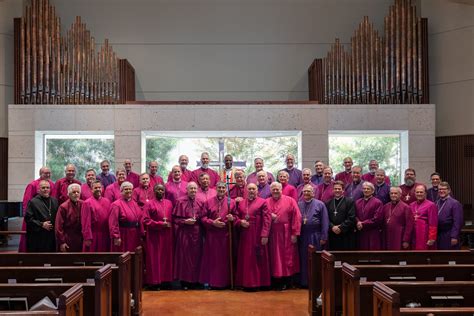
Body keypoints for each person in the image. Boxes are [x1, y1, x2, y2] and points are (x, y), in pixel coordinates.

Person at [234, 183, 271, 290]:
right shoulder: (241, 203)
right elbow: (236, 215)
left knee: (257, 258)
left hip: (257, 234)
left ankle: (258, 283)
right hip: (245, 234)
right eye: (249, 189)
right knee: (246, 258)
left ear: (257, 191)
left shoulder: (263, 202)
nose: (251, 191)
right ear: (246, 190)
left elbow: (267, 219)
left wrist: (265, 234)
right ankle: (246, 283)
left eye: (253, 189)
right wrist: (240, 221)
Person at [266, 182, 301, 290]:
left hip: (287, 233)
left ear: (281, 190)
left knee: (287, 257)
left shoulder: (290, 200)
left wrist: (295, 233)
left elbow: (297, 216)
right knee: (274, 257)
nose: (275, 191)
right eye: (273, 189)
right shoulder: (266, 202)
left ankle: (287, 281)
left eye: (277, 189)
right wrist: (269, 215)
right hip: (272, 234)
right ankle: (276, 281)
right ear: (270, 191)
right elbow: (262, 216)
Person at [199, 182, 235, 289]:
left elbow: (237, 216)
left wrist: (232, 218)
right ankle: (213, 283)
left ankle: (225, 283)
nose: (221, 189)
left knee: (224, 260)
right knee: (213, 260)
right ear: (216, 189)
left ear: (225, 189)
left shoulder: (231, 202)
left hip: (225, 235)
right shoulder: (208, 202)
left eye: (223, 188)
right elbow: (203, 218)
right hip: (212, 236)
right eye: (219, 187)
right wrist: (212, 223)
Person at [173, 182, 207, 289]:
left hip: (197, 232)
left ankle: (196, 281)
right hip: (185, 232)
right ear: (187, 190)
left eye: (194, 188)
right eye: (191, 188)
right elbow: (175, 218)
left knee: (197, 257)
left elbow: (204, 217)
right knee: (184, 257)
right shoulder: (180, 201)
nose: (193, 190)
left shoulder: (201, 201)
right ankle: (185, 282)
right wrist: (184, 222)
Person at [142, 184, 173, 289]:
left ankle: (165, 281)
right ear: (154, 191)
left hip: (167, 236)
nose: (160, 191)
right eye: (158, 189)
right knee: (154, 259)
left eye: (162, 190)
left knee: (166, 258)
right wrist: (160, 224)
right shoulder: (149, 204)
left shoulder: (169, 203)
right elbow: (146, 220)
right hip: (154, 236)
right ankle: (155, 282)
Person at [298, 184, 328, 287]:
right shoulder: (299, 204)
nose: (306, 193)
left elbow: (325, 221)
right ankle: (304, 282)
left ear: (313, 193)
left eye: (308, 191)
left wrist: (324, 237)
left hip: (315, 235)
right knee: (304, 258)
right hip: (303, 236)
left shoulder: (320, 204)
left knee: (315, 259)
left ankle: (315, 282)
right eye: (304, 191)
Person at [20, 166, 55, 252]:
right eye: (45, 173)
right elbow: (26, 202)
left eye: (49, 173)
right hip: (35, 219)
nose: (48, 175)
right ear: (40, 174)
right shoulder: (32, 185)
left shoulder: (52, 184)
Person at [109, 181, 144, 252]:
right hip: (123, 234)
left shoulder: (135, 203)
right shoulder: (116, 204)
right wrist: (116, 236)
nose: (128, 191)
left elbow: (139, 218)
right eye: (126, 189)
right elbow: (113, 222)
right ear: (121, 191)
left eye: (130, 189)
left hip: (134, 234)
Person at [25, 180, 59, 252]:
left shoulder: (54, 201)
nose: (46, 189)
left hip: (51, 236)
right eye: (43, 188)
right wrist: (42, 224)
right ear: (38, 190)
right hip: (38, 236)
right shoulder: (33, 202)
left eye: (47, 187)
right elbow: (28, 219)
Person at [81, 180, 111, 252]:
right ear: (91, 189)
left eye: (99, 187)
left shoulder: (107, 201)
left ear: (102, 188)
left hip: (105, 235)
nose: (98, 189)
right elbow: (85, 222)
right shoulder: (87, 203)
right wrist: (87, 237)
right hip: (93, 235)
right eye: (95, 188)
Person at [326, 181, 356, 250]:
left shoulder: (349, 202)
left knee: (345, 257)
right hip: (332, 234)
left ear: (343, 190)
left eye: (339, 189)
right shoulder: (328, 203)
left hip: (346, 235)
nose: (337, 190)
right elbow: (326, 218)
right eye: (335, 189)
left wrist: (341, 227)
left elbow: (351, 217)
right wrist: (332, 227)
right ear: (333, 190)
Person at [355, 182, 384, 250]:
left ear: (373, 191)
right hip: (360, 232)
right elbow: (355, 215)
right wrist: (358, 222)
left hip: (372, 233)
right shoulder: (357, 202)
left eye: (368, 189)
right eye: (364, 189)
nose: (366, 190)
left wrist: (363, 223)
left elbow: (377, 218)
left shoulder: (378, 202)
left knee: (372, 254)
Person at [55, 183, 83, 252]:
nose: (76, 194)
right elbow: (58, 227)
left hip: (81, 238)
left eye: (78, 192)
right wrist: (62, 242)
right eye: (73, 192)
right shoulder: (63, 207)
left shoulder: (83, 204)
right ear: (69, 194)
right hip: (67, 238)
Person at [436, 182, 463, 250]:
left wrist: (454, 236)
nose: (441, 191)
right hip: (439, 235)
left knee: (450, 258)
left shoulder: (455, 203)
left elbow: (458, 222)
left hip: (449, 234)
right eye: (439, 189)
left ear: (449, 190)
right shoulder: (436, 202)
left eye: (444, 189)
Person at [411, 184, 438, 250]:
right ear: (414, 193)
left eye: (421, 192)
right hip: (413, 233)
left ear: (425, 193)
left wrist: (432, 237)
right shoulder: (411, 205)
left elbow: (433, 223)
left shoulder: (431, 205)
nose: (419, 194)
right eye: (417, 192)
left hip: (424, 233)